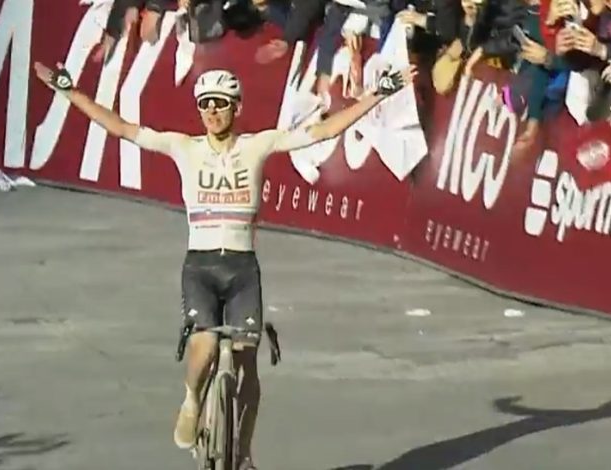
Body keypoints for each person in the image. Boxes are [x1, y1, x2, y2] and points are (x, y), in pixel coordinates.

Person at [33, 60, 416, 469]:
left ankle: (245, 453)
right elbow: (122, 128)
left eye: (221, 104)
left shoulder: (258, 144)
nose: (212, 112)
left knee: (249, 368)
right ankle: (192, 399)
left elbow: (324, 130)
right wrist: (68, 90)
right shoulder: (184, 146)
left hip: (242, 270)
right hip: (200, 267)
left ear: (236, 107)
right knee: (206, 342)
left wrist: (381, 91)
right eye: (205, 105)